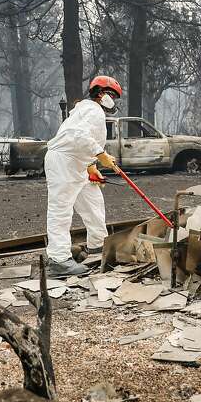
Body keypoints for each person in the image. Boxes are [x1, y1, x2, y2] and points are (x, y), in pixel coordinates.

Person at [43, 76, 122, 277]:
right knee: (61, 211)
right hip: (64, 163)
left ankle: (98, 246)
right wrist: (101, 155)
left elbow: (80, 141)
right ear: (101, 94)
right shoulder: (93, 110)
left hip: (77, 164)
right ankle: (59, 260)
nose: (114, 101)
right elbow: (77, 135)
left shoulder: (88, 110)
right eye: (112, 96)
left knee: (93, 203)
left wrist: (91, 166)